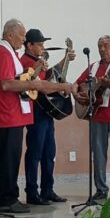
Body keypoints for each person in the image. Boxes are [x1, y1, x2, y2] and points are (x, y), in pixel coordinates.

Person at [0, 19, 75, 214]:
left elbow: (22, 81)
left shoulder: (10, 53)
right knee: (9, 160)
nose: (23, 38)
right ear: (10, 35)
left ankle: (12, 197)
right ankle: (8, 200)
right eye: (21, 35)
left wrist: (37, 83)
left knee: (13, 159)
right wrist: (32, 85)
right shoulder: (3, 52)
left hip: (14, 114)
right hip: (7, 114)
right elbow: (6, 84)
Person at [20, 28, 74, 205]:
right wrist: (62, 87)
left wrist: (65, 59)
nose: (43, 47)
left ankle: (47, 189)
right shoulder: (25, 62)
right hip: (36, 111)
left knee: (49, 152)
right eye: (40, 44)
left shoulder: (38, 61)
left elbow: (50, 77)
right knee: (35, 152)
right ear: (29, 45)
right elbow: (38, 84)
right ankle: (32, 192)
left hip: (46, 112)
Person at [74, 35, 110, 201]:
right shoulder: (93, 67)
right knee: (98, 155)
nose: (102, 49)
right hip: (97, 115)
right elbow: (77, 83)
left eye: (105, 46)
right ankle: (100, 189)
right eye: (99, 46)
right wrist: (76, 95)